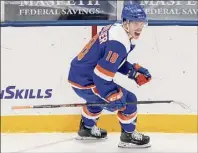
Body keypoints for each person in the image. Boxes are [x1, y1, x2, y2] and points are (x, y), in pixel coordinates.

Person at [68, 2, 152, 148]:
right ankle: (128, 136)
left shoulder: (116, 29)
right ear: (126, 22)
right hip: (87, 81)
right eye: (135, 23)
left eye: (142, 23)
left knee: (97, 101)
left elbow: (111, 62)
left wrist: (133, 72)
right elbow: (101, 76)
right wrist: (111, 95)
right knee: (129, 100)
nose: (140, 27)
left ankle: (86, 129)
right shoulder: (118, 43)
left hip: (78, 76)